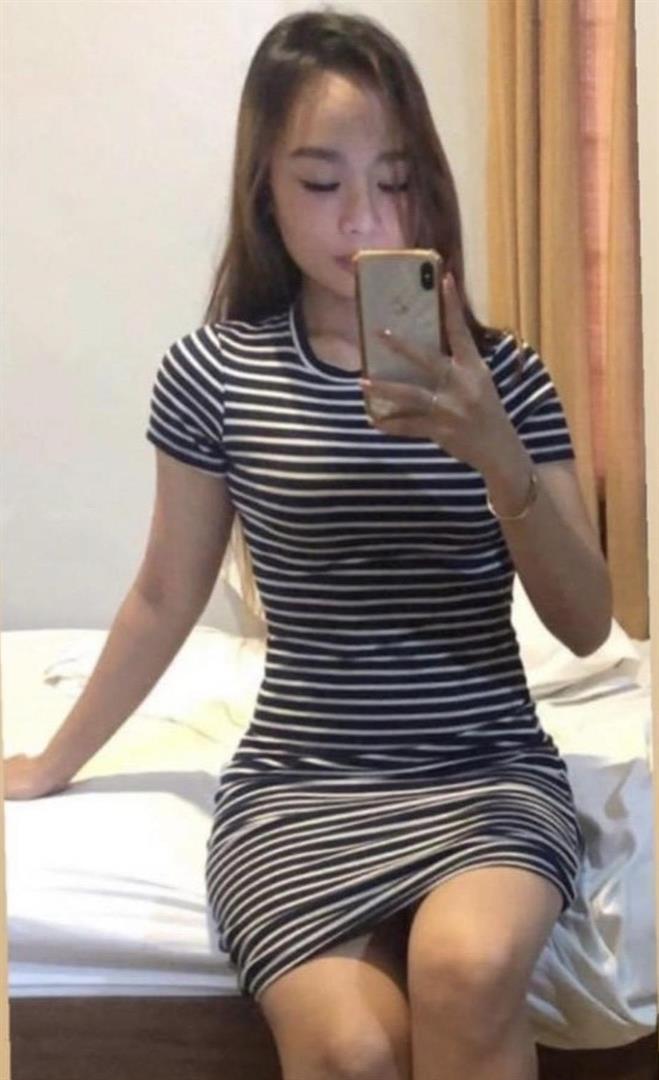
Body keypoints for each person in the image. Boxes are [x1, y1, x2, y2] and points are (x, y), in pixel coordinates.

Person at [3, 8, 613, 1080]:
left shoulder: (506, 378)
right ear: (265, 193)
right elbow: (164, 595)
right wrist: (54, 761)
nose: (364, 219)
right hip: (299, 781)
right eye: (322, 183)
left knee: (467, 968)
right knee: (352, 1050)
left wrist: (494, 453)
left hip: (481, 765)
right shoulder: (211, 376)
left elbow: (584, 621)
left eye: (396, 180)